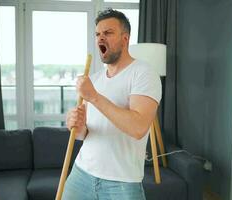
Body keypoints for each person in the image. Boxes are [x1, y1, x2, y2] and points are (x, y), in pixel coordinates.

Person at [63, 8, 161, 200]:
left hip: (121, 183)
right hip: (81, 173)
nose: (101, 38)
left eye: (108, 33)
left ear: (125, 39)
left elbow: (138, 127)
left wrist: (94, 97)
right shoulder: (95, 79)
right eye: (98, 34)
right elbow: (86, 134)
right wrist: (78, 126)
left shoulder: (143, 73)